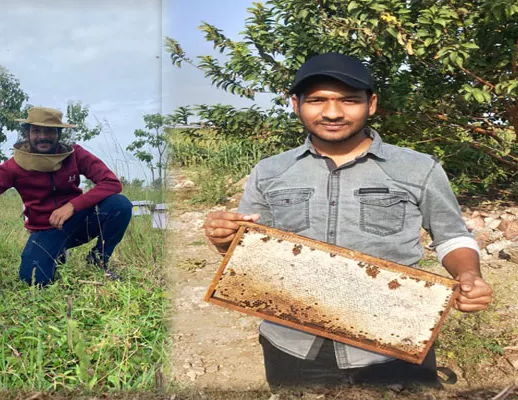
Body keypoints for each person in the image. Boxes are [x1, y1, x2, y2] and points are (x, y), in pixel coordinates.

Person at [203, 52, 493, 388]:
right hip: (292, 345)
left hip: (392, 343)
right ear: (296, 105)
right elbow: (252, 248)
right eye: (317, 100)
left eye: (348, 100)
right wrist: (225, 238)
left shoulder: (418, 168)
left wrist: (470, 275)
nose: (332, 112)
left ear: (371, 105)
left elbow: (451, 237)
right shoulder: (270, 171)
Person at [0, 106, 133, 286]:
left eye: (49, 131)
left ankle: (98, 260)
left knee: (120, 205)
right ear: (27, 133)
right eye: (36, 131)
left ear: (58, 134)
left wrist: (72, 206)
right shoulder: (13, 165)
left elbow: (111, 183)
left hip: (80, 222)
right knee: (33, 281)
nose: (42, 136)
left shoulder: (75, 154)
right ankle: (56, 253)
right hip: (45, 229)